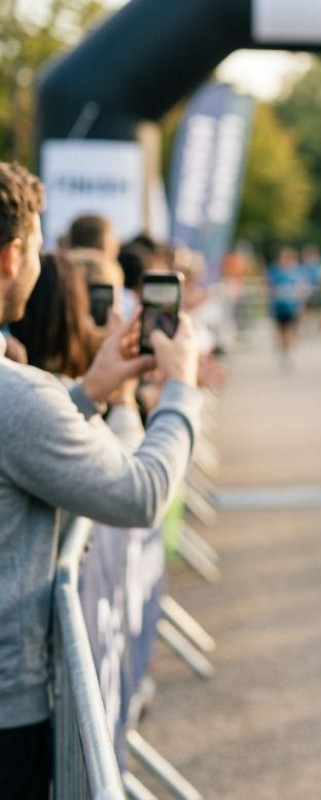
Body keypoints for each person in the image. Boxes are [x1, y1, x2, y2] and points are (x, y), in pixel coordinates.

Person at [0, 161, 202, 800]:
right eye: (37, 247)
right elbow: (140, 493)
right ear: (11, 257)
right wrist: (180, 389)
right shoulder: (18, 392)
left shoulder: (25, 395)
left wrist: (89, 393)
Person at [268, 246, 307, 370]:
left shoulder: (297, 272)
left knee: (290, 331)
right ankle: (284, 351)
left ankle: (288, 352)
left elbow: (303, 288)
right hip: (279, 307)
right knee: (281, 331)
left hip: (292, 307)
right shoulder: (275, 271)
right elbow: (270, 287)